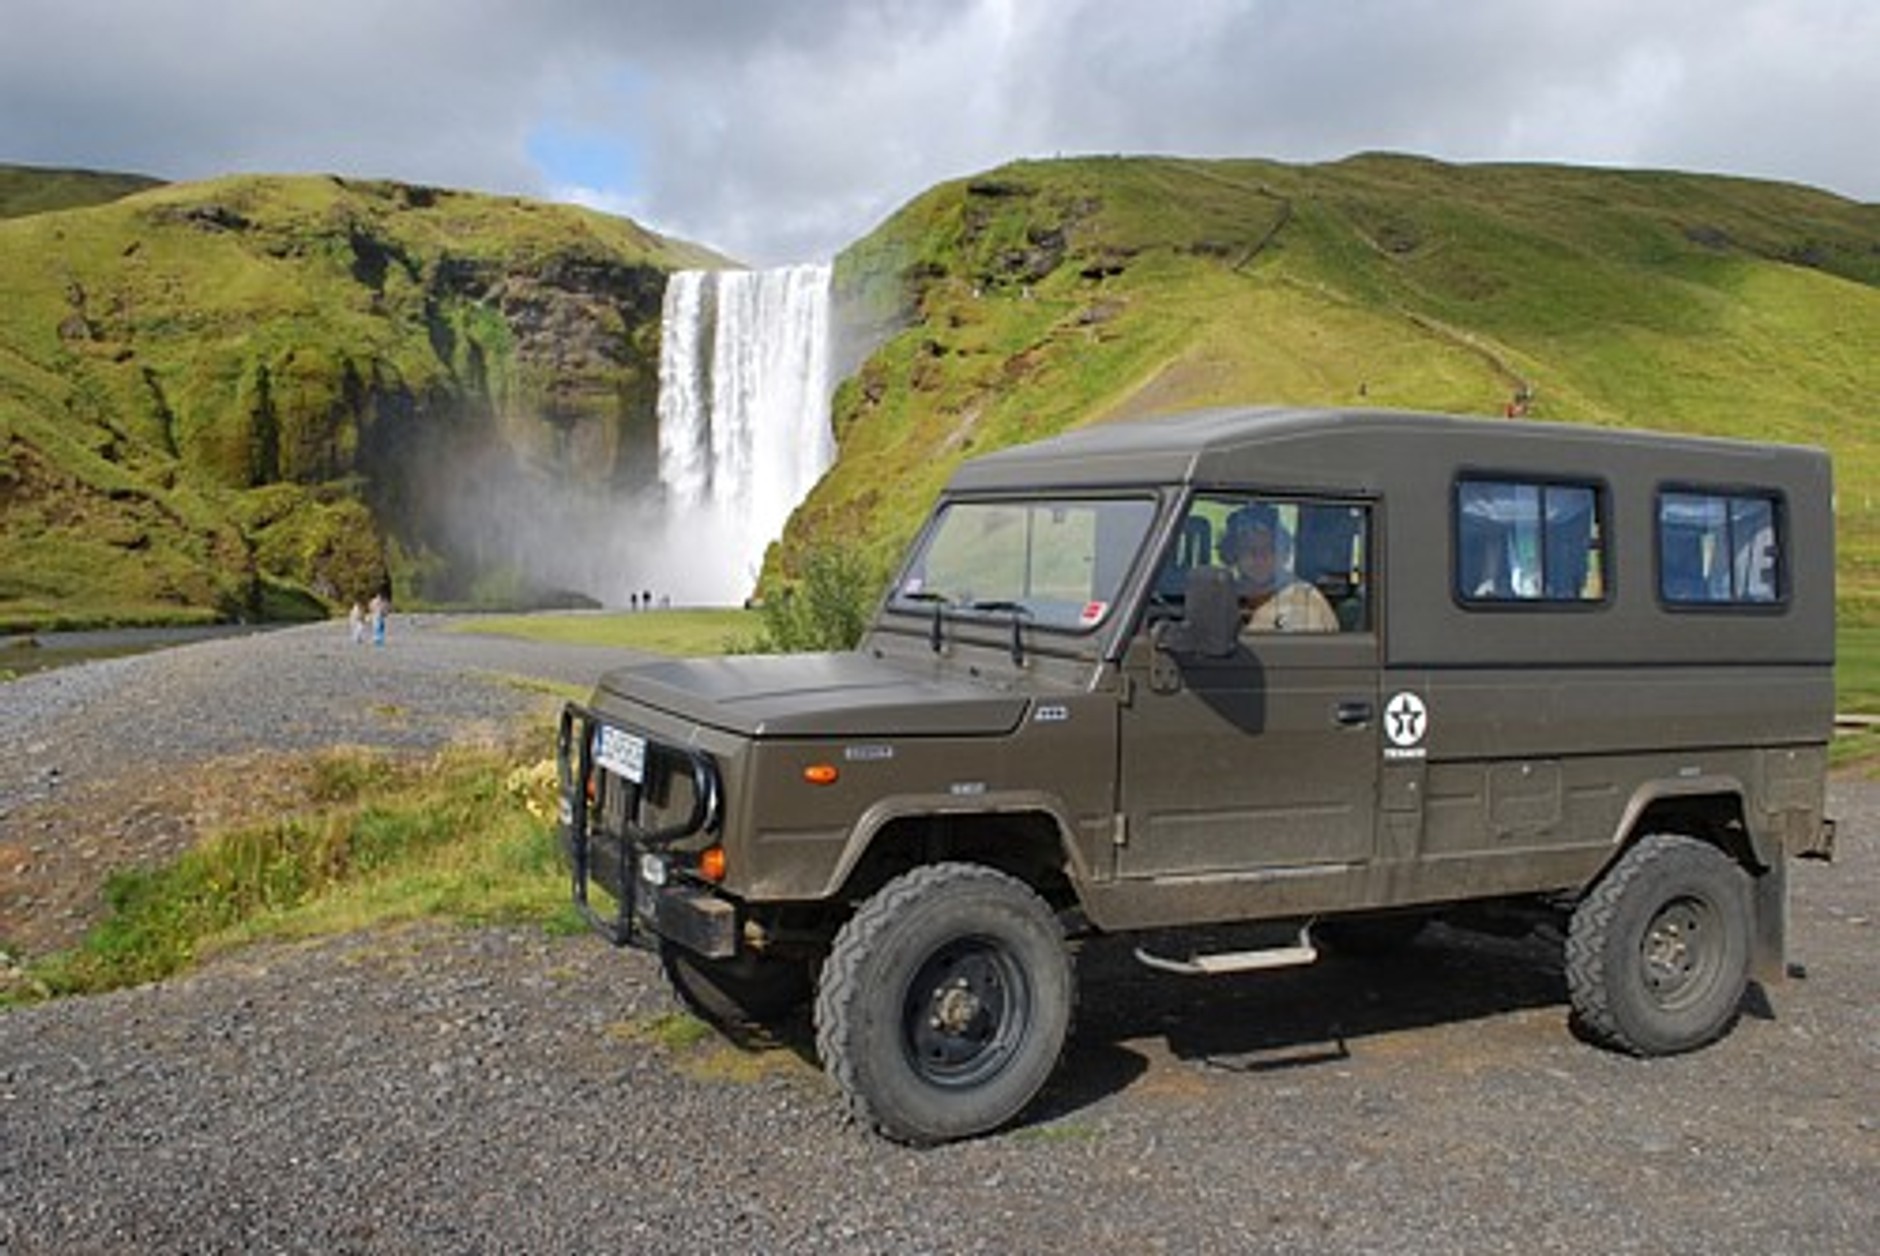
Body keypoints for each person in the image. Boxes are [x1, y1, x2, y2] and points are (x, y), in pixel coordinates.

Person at [1219, 504, 1338, 632]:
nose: (1259, 558)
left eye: (1268, 549)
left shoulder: (1307, 599)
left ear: (1283, 553)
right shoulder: (1221, 596)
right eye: (1249, 549)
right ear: (1233, 553)